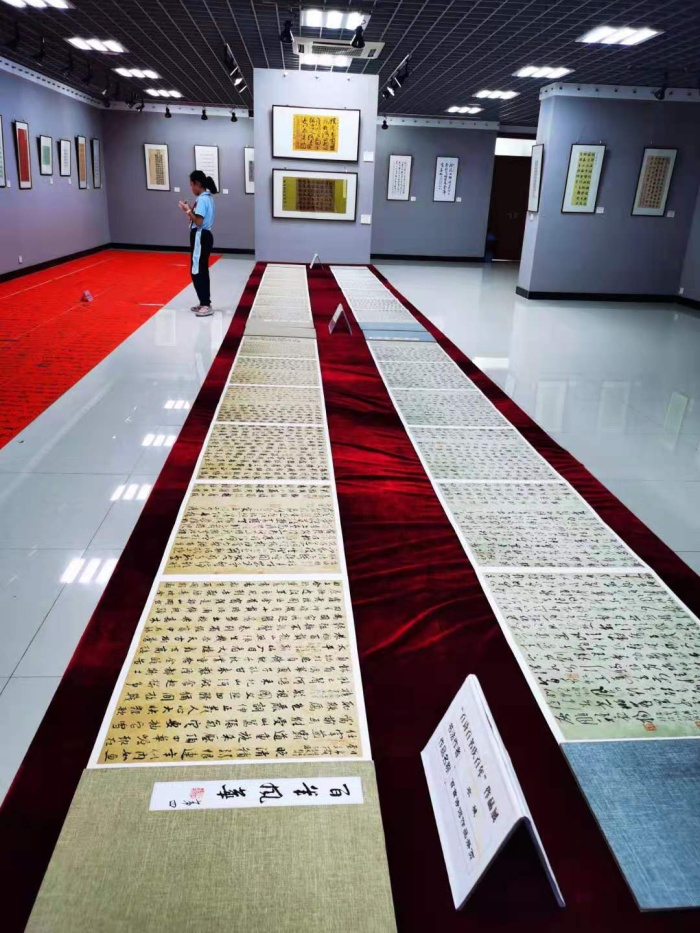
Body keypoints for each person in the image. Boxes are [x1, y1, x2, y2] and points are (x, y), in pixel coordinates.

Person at [178, 170, 217, 317]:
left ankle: (206, 304)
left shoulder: (202, 199)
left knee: (197, 271)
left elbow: (199, 221)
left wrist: (188, 210)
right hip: (204, 236)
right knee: (201, 269)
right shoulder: (207, 198)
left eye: (191, 185)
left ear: (197, 184)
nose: (191, 188)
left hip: (201, 236)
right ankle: (204, 302)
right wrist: (189, 209)